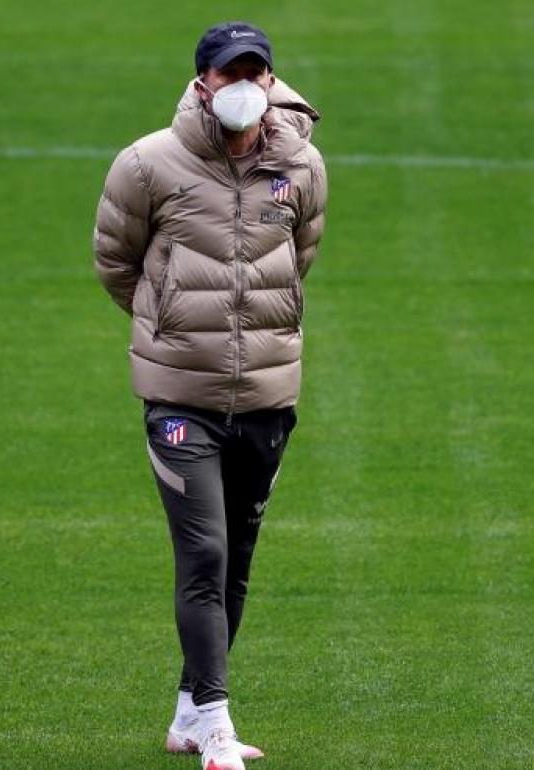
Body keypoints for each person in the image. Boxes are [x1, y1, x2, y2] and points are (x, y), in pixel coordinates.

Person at [92, 20, 327, 770]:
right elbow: (114, 261)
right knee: (204, 550)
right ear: (203, 84)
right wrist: (171, 327)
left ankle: (190, 711)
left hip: (265, 394)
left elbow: (300, 259)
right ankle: (217, 727)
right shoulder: (147, 164)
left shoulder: (303, 166)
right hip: (179, 398)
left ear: (270, 82)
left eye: (255, 74)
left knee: (236, 561)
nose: (243, 88)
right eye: (229, 75)